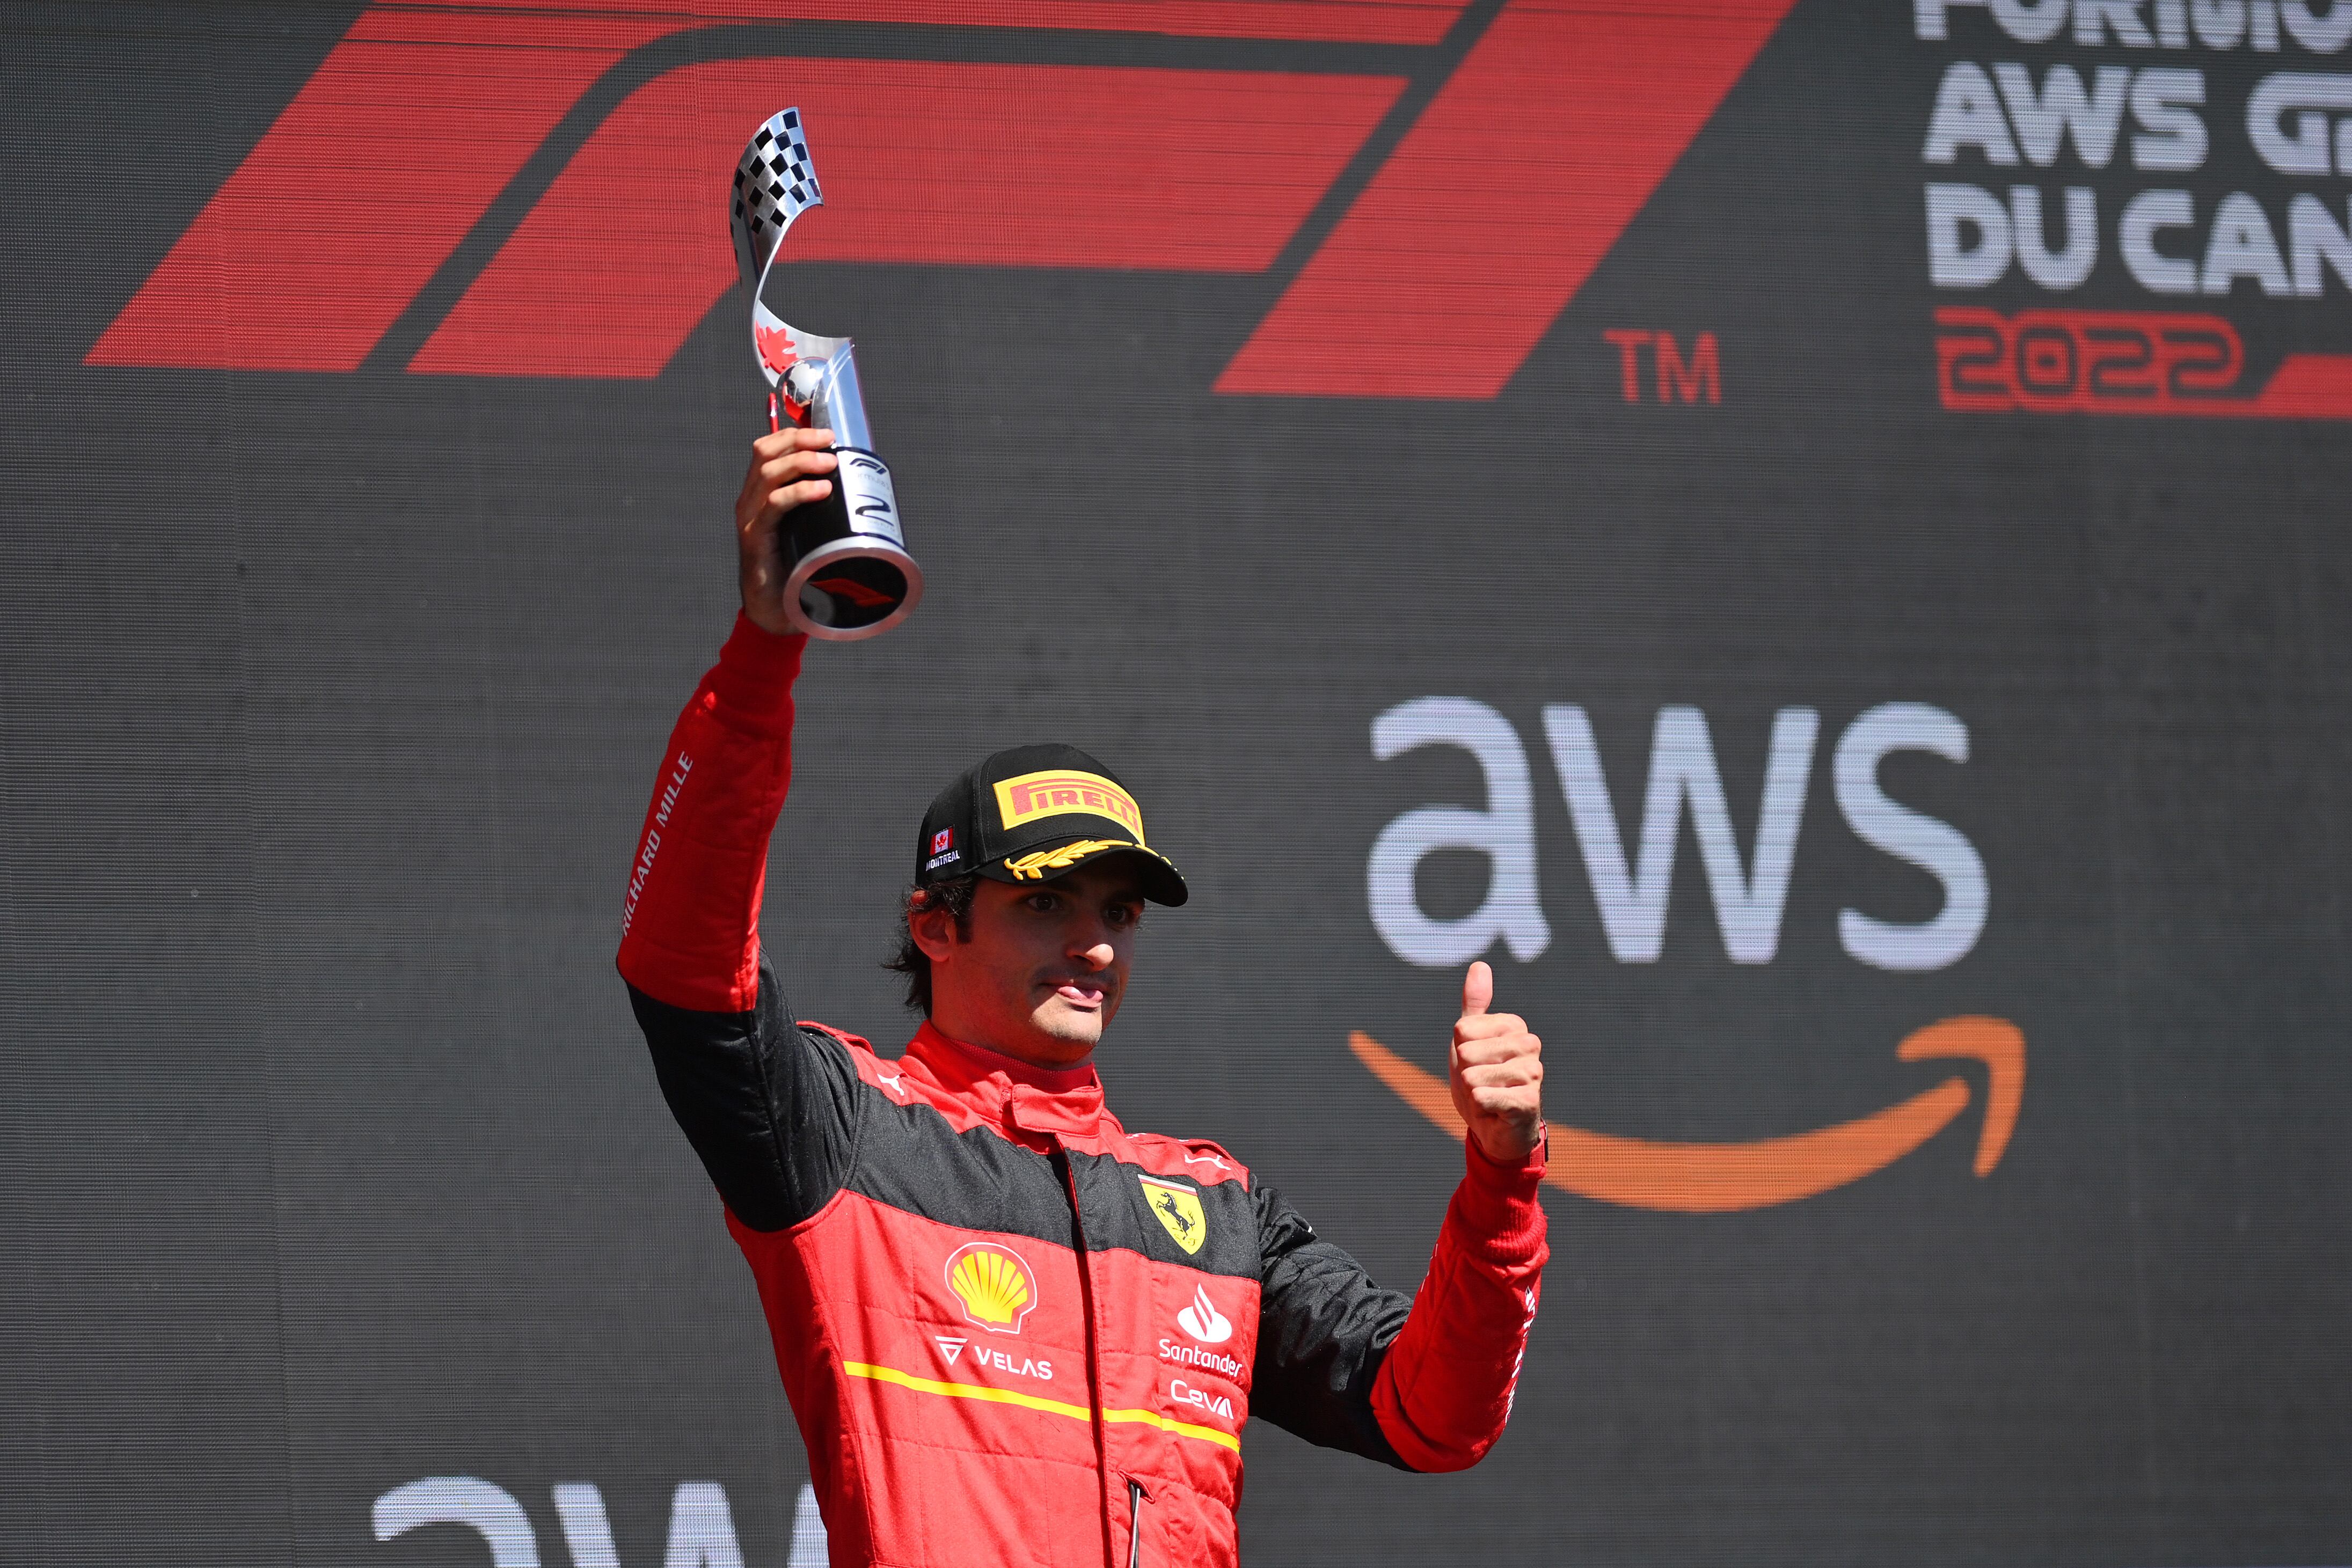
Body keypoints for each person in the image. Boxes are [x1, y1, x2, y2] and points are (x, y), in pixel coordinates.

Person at [617, 428, 1550, 1568]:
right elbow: (683, 957)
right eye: (1047, 906)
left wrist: (1502, 1179)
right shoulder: (845, 1133)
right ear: (934, 926)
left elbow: (1434, 1416)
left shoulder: (1214, 1210)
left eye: (1119, 914)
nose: (1096, 947)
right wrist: (765, 653)